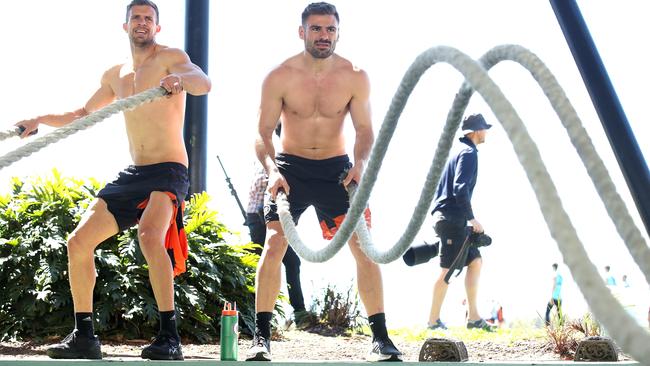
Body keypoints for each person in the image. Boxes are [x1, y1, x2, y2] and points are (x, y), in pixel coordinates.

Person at [14, 0, 211, 360]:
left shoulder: (170, 58)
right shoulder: (115, 74)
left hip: (168, 169)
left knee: (150, 235)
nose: (142, 23)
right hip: (135, 172)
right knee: (78, 243)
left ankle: (170, 337)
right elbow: (81, 113)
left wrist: (180, 80)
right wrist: (38, 118)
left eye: (148, 19)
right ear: (125, 26)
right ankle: (84, 337)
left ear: (157, 27)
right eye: (136, 18)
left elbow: (204, 82)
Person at [248, 2, 402, 362]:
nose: (323, 35)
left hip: (337, 170)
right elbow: (261, 132)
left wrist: (361, 164)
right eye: (316, 29)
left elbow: (364, 130)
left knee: (363, 248)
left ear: (338, 33)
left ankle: (381, 338)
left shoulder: (354, 75)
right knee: (274, 244)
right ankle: (261, 338)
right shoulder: (279, 76)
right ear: (302, 32)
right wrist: (272, 170)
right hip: (291, 169)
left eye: (330, 29)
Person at [427, 113, 493, 331]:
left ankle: (473, 318)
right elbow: (459, 188)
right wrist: (471, 218)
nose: (486, 132)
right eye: (484, 128)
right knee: (447, 271)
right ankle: (433, 321)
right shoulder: (469, 153)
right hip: (451, 219)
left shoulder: (459, 152)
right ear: (475, 131)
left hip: (451, 218)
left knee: (475, 261)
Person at [245, 126, 312, 327]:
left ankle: (273, 313)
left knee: (275, 263)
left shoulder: (271, 157)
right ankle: (297, 313)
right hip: (261, 220)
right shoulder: (278, 161)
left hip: (258, 218)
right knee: (286, 262)